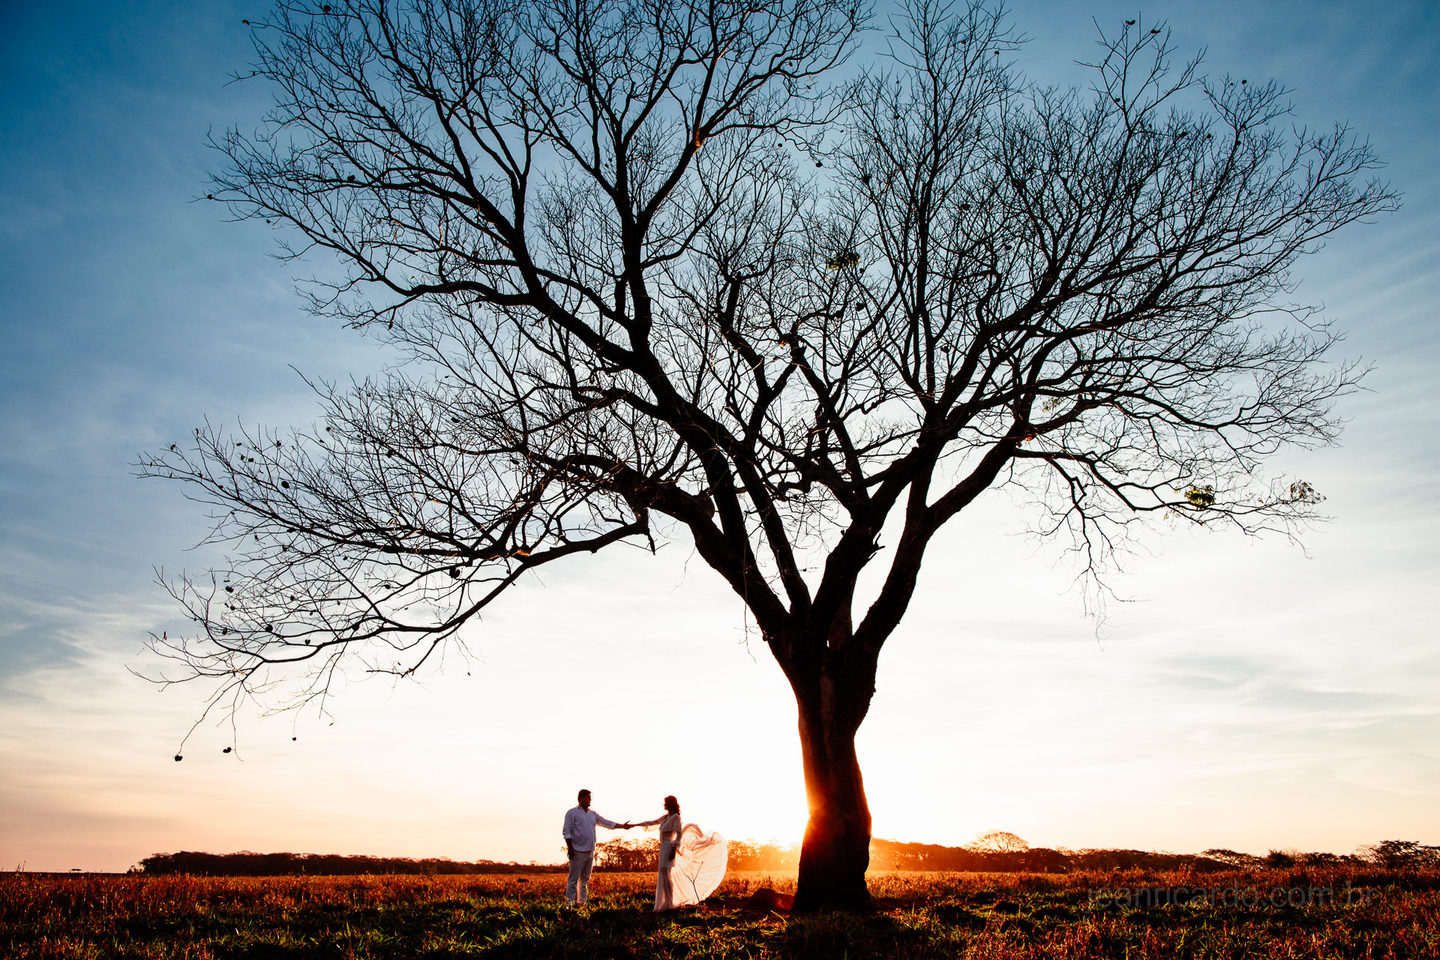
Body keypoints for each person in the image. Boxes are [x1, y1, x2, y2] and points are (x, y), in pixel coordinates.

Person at [631, 795, 728, 912]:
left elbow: (678, 834)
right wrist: (633, 825)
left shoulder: (676, 817)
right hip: (663, 848)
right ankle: (665, 903)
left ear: (670, 804)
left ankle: (670, 903)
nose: (664, 805)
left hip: (669, 848)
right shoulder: (665, 817)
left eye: (665, 803)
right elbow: (650, 822)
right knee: (663, 876)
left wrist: (673, 850)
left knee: (667, 876)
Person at [561, 788, 629, 907]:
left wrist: (622, 826)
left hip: (590, 851)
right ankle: (569, 905)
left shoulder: (592, 814)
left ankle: (581, 903)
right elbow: (566, 831)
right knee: (573, 879)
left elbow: (607, 823)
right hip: (577, 851)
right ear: (581, 798)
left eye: (590, 798)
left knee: (585, 880)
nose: (589, 801)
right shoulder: (572, 813)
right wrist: (570, 848)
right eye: (588, 798)